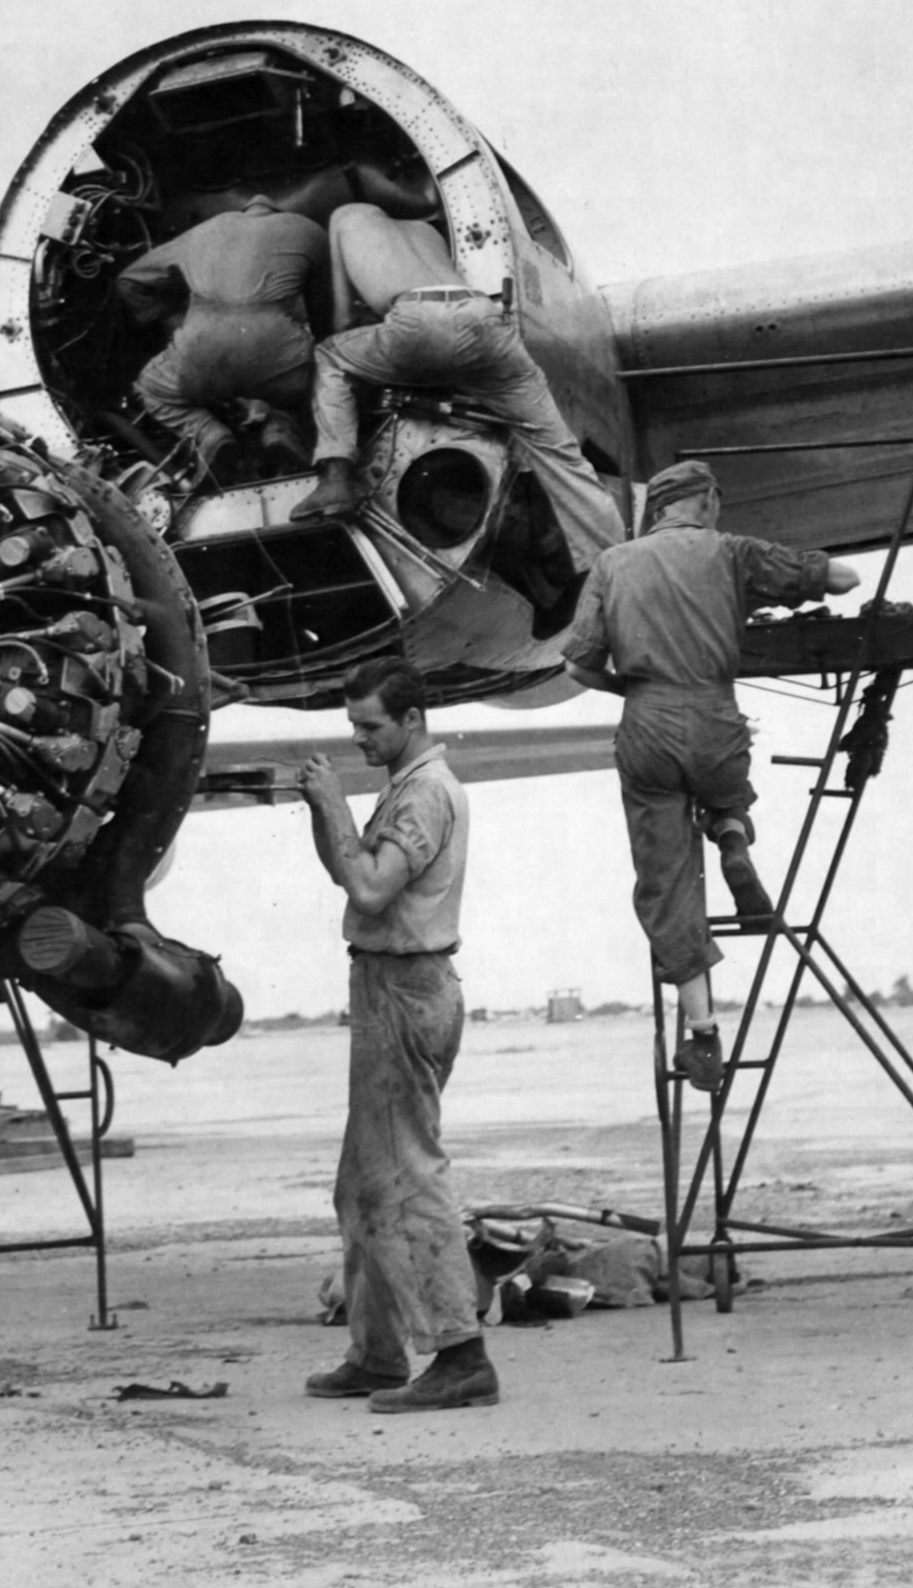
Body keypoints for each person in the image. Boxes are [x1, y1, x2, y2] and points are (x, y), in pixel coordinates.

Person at [560, 459, 861, 1092]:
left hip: (646, 720)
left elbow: (579, 668)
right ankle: (732, 835)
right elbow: (842, 577)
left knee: (665, 883)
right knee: (730, 789)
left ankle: (702, 1037)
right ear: (708, 501)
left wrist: (635, 691)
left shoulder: (613, 564)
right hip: (714, 712)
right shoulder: (731, 551)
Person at [297, 656, 498, 1413]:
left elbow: (370, 886)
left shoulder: (423, 795)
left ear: (412, 720)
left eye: (369, 725)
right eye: (352, 725)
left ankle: (460, 1353)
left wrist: (332, 805)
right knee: (361, 1186)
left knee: (408, 1176)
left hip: (404, 993)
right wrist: (329, 813)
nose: (358, 739)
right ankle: (377, 1352)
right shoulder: (407, 788)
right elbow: (353, 874)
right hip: (392, 988)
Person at [289, 201, 624, 571]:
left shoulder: (344, 216)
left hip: (418, 319)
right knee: (559, 452)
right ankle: (613, 564)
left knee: (330, 356)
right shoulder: (425, 230)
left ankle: (335, 478)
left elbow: (343, 318)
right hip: (487, 322)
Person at [116, 195, 328, 484]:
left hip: (200, 350)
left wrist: (169, 318)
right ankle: (280, 427)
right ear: (278, 210)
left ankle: (207, 432)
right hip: (277, 355)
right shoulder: (308, 229)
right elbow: (325, 320)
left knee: (151, 388)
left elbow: (129, 279)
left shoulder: (202, 231)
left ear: (243, 211)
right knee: (317, 373)